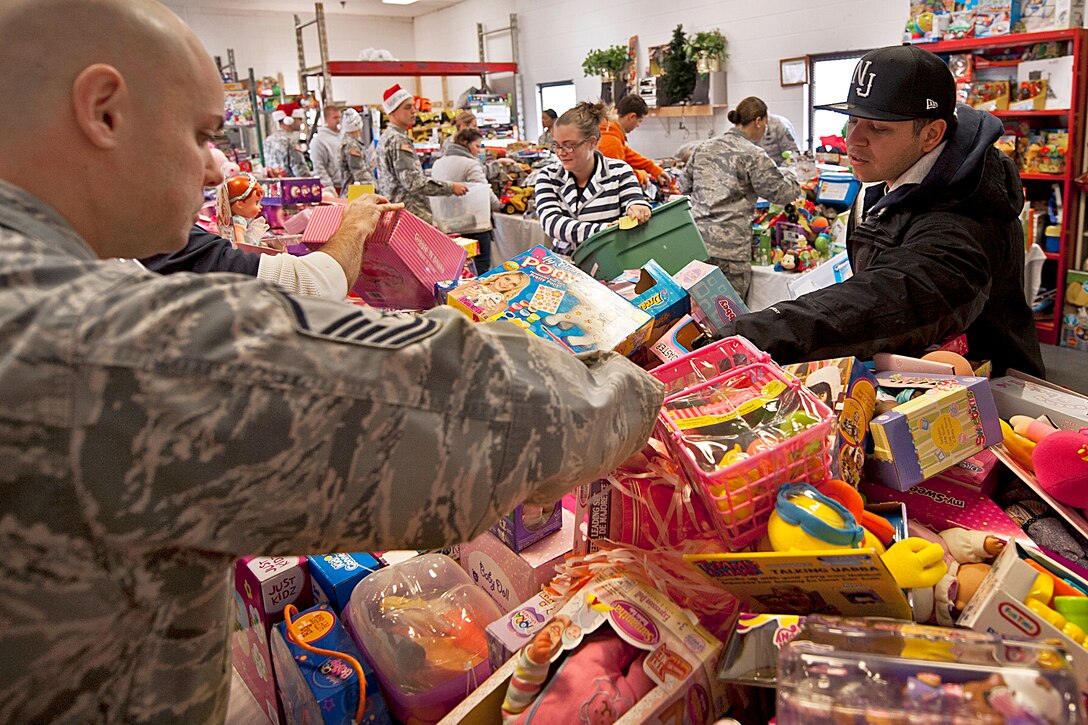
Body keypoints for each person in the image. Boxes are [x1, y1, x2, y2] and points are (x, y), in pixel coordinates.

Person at [0, 2, 664, 722]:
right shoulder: (98, 339)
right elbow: (460, 410)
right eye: (201, 134)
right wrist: (636, 386)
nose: (219, 164)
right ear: (103, 111)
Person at [724, 45, 1044, 377]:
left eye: (879, 128)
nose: (853, 139)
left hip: (987, 400)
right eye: (852, 119)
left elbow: (886, 300)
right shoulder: (888, 174)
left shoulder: (968, 217)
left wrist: (748, 336)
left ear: (931, 135)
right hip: (910, 372)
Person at [678, 96, 800, 298]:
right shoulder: (753, 154)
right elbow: (781, 193)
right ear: (759, 121)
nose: (765, 131)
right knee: (729, 315)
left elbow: (682, 185)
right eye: (765, 125)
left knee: (696, 315)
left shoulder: (703, 147)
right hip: (730, 251)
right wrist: (792, 174)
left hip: (698, 245)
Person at [534, 102, 652, 256]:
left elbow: (633, 199)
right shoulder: (548, 176)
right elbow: (552, 224)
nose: (561, 153)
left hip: (610, 262)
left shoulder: (619, 171)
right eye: (556, 145)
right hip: (564, 265)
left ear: (592, 142)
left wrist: (638, 207)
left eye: (569, 146)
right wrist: (605, 230)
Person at [376, 83, 467, 222]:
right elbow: (414, 183)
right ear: (392, 112)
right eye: (407, 107)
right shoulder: (398, 140)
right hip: (410, 217)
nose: (414, 111)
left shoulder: (386, 137)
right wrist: (451, 187)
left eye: (414, 106)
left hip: (396, 215)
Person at [431, 127, 502, 271]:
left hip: (446, 225)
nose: (478, 150)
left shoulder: (438, 163)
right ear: (465, 143)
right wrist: (499, 205)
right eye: (476, 146)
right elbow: (485, 191)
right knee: (480, 269)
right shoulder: (470, 163)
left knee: (455, 269)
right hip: (473, 226)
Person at [597, 94, 670, 187]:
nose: (638, 125)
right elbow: (617, 180)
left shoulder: (612, 132)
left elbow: (630, 156)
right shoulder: (612, 142)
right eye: (639, 121)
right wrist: (642, 175)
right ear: (631, 116)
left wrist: (654, 169)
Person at [309, 104, 347, 194]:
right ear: (326, 119)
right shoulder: (319, 140)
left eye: (340, 117)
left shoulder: (344, 136)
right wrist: (329, 188)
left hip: (347, 185)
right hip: (334, 187)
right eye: (335, 118)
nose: (338, 121)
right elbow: (319, 167)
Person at [265, 106, 310, 177]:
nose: (301, 122)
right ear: (289, 120)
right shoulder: (291, 141)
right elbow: (299, 169)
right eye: (299, 119)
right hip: (292, 185)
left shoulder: (269, 140)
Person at [339, 107, 377, 188]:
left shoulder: (351, 142)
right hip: (355, 194)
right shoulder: (351, 145)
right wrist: (377, 188)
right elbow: (360, 174)